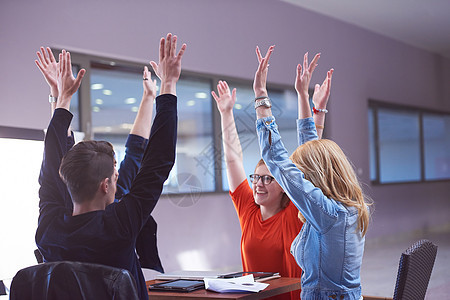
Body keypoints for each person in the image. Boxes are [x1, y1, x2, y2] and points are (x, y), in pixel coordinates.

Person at [35, 33, 186, 300]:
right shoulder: (119, 225)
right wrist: (170, 83)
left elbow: (50, 171)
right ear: (106, 185)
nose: (118, 177)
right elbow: (157, 162)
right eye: (114, 174)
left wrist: (61, 100)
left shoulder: (49, 230)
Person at [210, 47, 330, 300]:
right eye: (256, 177)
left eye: (268, 178)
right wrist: (226, 114)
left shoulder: (293, 215)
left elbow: (312, 160)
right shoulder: (248, 210)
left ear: (285, 186)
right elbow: (233, 158)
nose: (258, 184)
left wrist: (316, 110)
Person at [253, 46, 371, 299]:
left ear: (313, 176)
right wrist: (304, 98)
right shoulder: (346, 208)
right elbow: (311, 152)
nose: (299, 178)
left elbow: (277, 160)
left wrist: (261, 96)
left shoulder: (328, 214)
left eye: (303, 173)